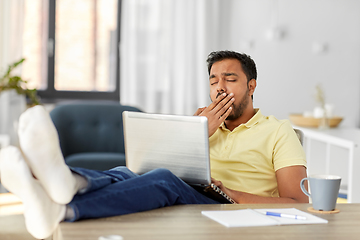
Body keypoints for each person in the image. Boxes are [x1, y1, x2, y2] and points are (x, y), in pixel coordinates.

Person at [0, 50, 307, 239]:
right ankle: (68, 182)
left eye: (230, 79)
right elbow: (154, 164)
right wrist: (196, 131)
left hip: (232, 208)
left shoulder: (279, 131)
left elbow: (299, 203)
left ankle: (64, 210)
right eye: (213, 81)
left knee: (163, 181)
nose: (219, 88)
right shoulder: (203, 122)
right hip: (196, 191)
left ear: (251, 86)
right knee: (129, 171)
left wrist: (231, 193)